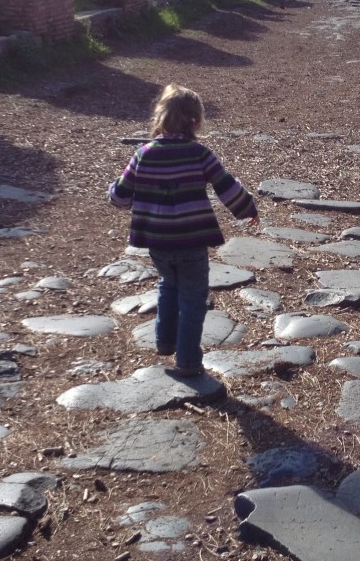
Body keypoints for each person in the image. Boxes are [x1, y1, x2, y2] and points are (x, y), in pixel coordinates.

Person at [109, 83, 259, 378]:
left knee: (167, 284)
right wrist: (247, 208)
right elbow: (225, 185)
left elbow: (120, 197)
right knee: (193, 298)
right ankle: (189, 361)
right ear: (196, 121)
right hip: (191, 241)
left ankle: (165, 341)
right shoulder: (200, 153)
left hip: (158, 242)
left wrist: (112, 190)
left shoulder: (143, 154)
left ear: (160, 117)